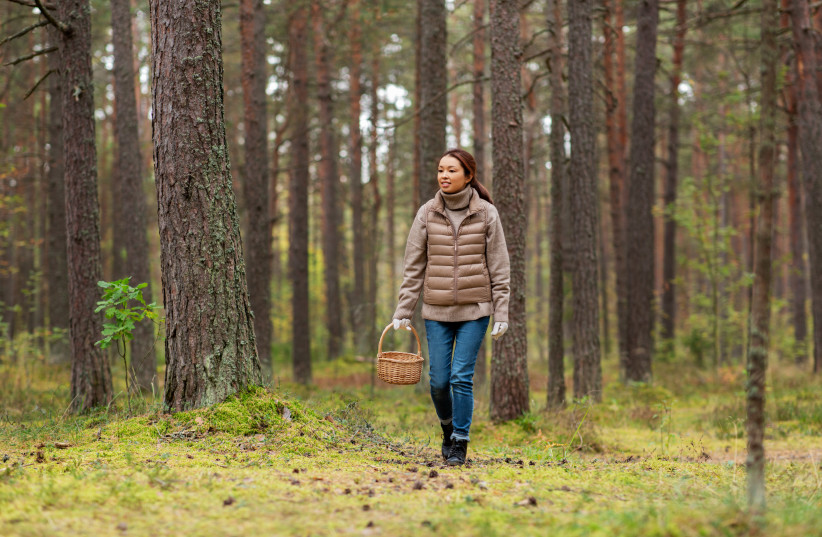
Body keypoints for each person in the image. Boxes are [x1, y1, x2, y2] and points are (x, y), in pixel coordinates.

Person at [392, 148, 510, 466]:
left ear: (468, 175)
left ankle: (460, 440)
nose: (444, 175)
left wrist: (502, 311)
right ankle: (447, 429)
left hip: (475, 310)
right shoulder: (427, 213)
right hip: (437, 310)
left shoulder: (487, 213)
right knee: (439, 381)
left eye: (451, 170)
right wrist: (404, 310)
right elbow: (413, 266)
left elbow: (499, 265)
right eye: (440, 170)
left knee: (461, 377)